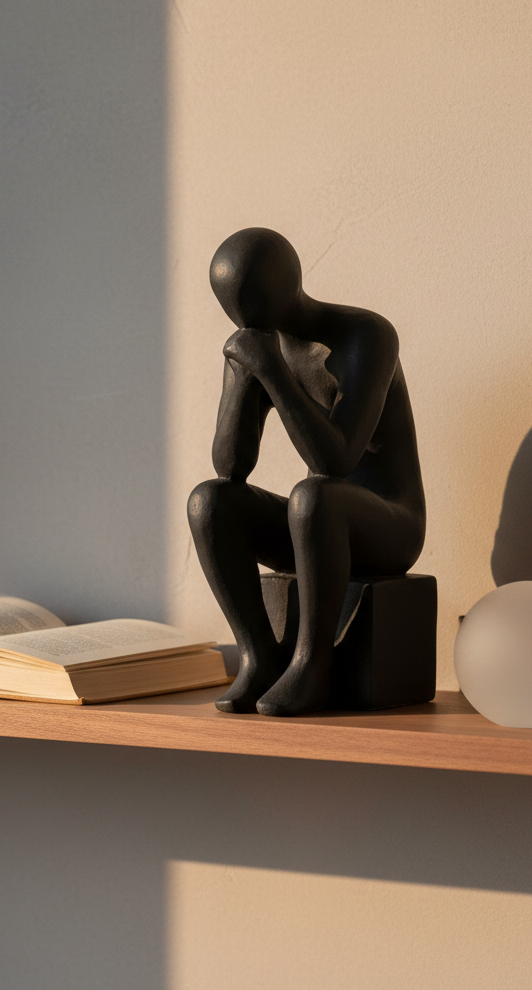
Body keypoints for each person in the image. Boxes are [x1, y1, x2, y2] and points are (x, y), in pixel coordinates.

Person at [187, 228, 426, 715]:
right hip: (315, 527)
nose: (241, 316)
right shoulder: (261, 344)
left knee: (314, 494)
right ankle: (259, 656)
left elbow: (336, 461)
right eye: (230, 306)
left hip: (390, 525)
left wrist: (272, 371)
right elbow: (231, 467)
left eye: (252, 300)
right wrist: (240, 378)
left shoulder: (367, 336)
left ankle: (312, 664)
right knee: (209, 502)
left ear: (289, 284)